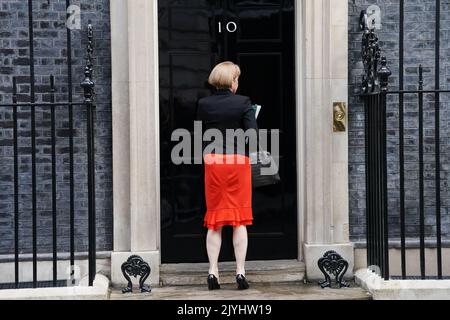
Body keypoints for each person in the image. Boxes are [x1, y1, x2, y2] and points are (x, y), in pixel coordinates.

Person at [197, 61, 258, 291]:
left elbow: (197, 135)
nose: (237, 82)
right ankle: (240, 272)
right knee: (239, 220)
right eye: (236, 78)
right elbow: (252, 135)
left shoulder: (203, 104)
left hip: (213, 162)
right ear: (232, 81)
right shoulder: (243, 102)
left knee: (215, 220)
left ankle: (213, 271)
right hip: (237, 162)